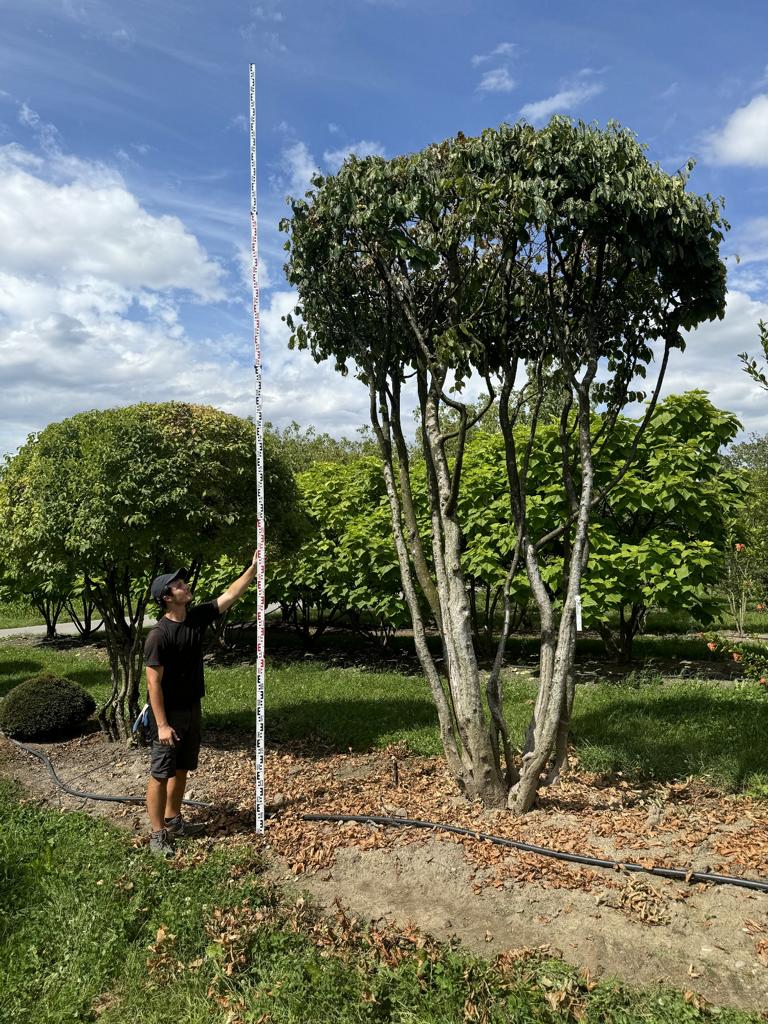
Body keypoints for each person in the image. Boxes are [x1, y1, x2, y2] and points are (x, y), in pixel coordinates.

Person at [144, 554, 258, 856]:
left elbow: (231, 594)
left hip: (192, 708)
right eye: (179, 585)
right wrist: (162, 725)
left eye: (183, 582)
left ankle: (174, 820)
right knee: (160, 773)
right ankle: (157, 834)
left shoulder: (194, 618)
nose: (186, 586)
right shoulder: (159, 636)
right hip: (168, 715)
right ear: (168, 597)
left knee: (181, 768)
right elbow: (153, 683)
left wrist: (254, 568)